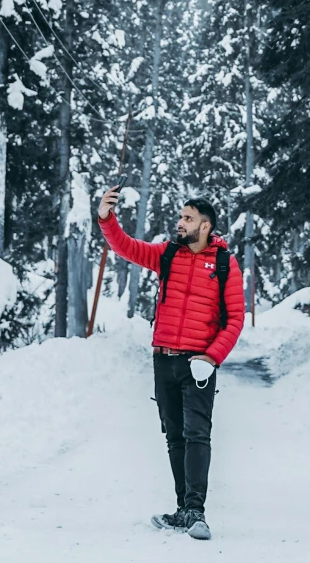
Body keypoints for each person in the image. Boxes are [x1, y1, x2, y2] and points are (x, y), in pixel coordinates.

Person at [95, 188, 246, 540]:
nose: (180, 223)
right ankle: (183, 510)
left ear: (205, 226)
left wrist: (211, 357)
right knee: (174, 436)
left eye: (188, 219)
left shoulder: (225, 264)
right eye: (180, 217)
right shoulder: (167, 255)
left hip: (200, 367)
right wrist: (106, 218)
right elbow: (127, 247)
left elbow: (235, 318)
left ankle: (196, 510)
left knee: (198, 434)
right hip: (163, 360)